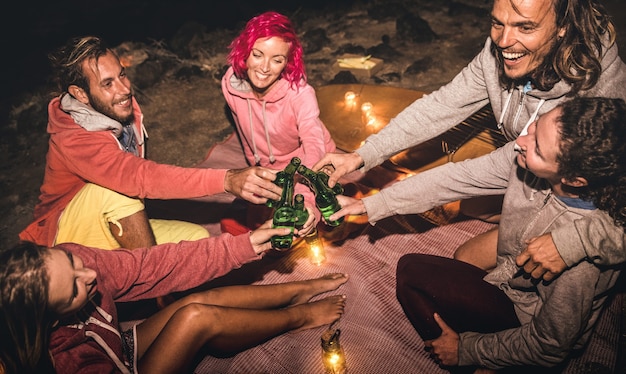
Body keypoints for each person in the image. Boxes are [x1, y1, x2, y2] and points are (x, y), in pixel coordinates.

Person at [313, 0, 626, 280]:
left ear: (562, 28)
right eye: (496, 22)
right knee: (470, 206)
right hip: (531, 167)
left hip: (587, 207)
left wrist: (574, 242)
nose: (503, 42)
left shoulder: (601, 94)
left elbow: (474, 174)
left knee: (480, 257)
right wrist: (360, 156)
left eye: (525, 26)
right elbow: (443, 105)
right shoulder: (501, 51)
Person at [331, 97, 625, 370]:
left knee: (412, 272)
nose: (521, 141)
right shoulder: (522, 159)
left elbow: (552, 344)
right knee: (464, 257)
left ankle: (493, 362)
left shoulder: (580, 264)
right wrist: (368, 204)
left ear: (574, 180)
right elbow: (456, 179)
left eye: (537, 148)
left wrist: (469, 350)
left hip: (530, 321)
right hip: (516, 268)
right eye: (535, 127)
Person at [18, 35, 283, 251]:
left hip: (113, 218)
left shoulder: (117, 105)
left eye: (122, 74)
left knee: (197, 239)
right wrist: (226, 180)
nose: (124, 89)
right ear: (80, 94)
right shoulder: (75, 139)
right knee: (117, 189)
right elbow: (138, 176)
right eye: (107, 83)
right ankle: (146, 286)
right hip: (63, 237)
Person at [0, 221, 349, 374]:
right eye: (75, 289)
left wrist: (247, 244)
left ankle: (296, 290)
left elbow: (154, 265)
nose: (89, 275)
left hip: (121, 349)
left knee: (192, 301)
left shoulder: (80, 263)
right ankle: (299, 317)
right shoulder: (54, 360)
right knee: (196, 317)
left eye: (72, 263)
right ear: (51, 320)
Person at [220, 11, 336, 233]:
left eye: (277, 60)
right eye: (258, 54)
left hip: (306, 164)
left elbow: (313, 144)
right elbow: (246, 133)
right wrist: (257, 170)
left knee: (306, 225)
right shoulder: (230, 86)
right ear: (245, 52)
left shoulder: (300, 94)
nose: (264, 68)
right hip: (268, 169)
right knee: (251, 232)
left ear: (287, 63)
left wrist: (308, 197)